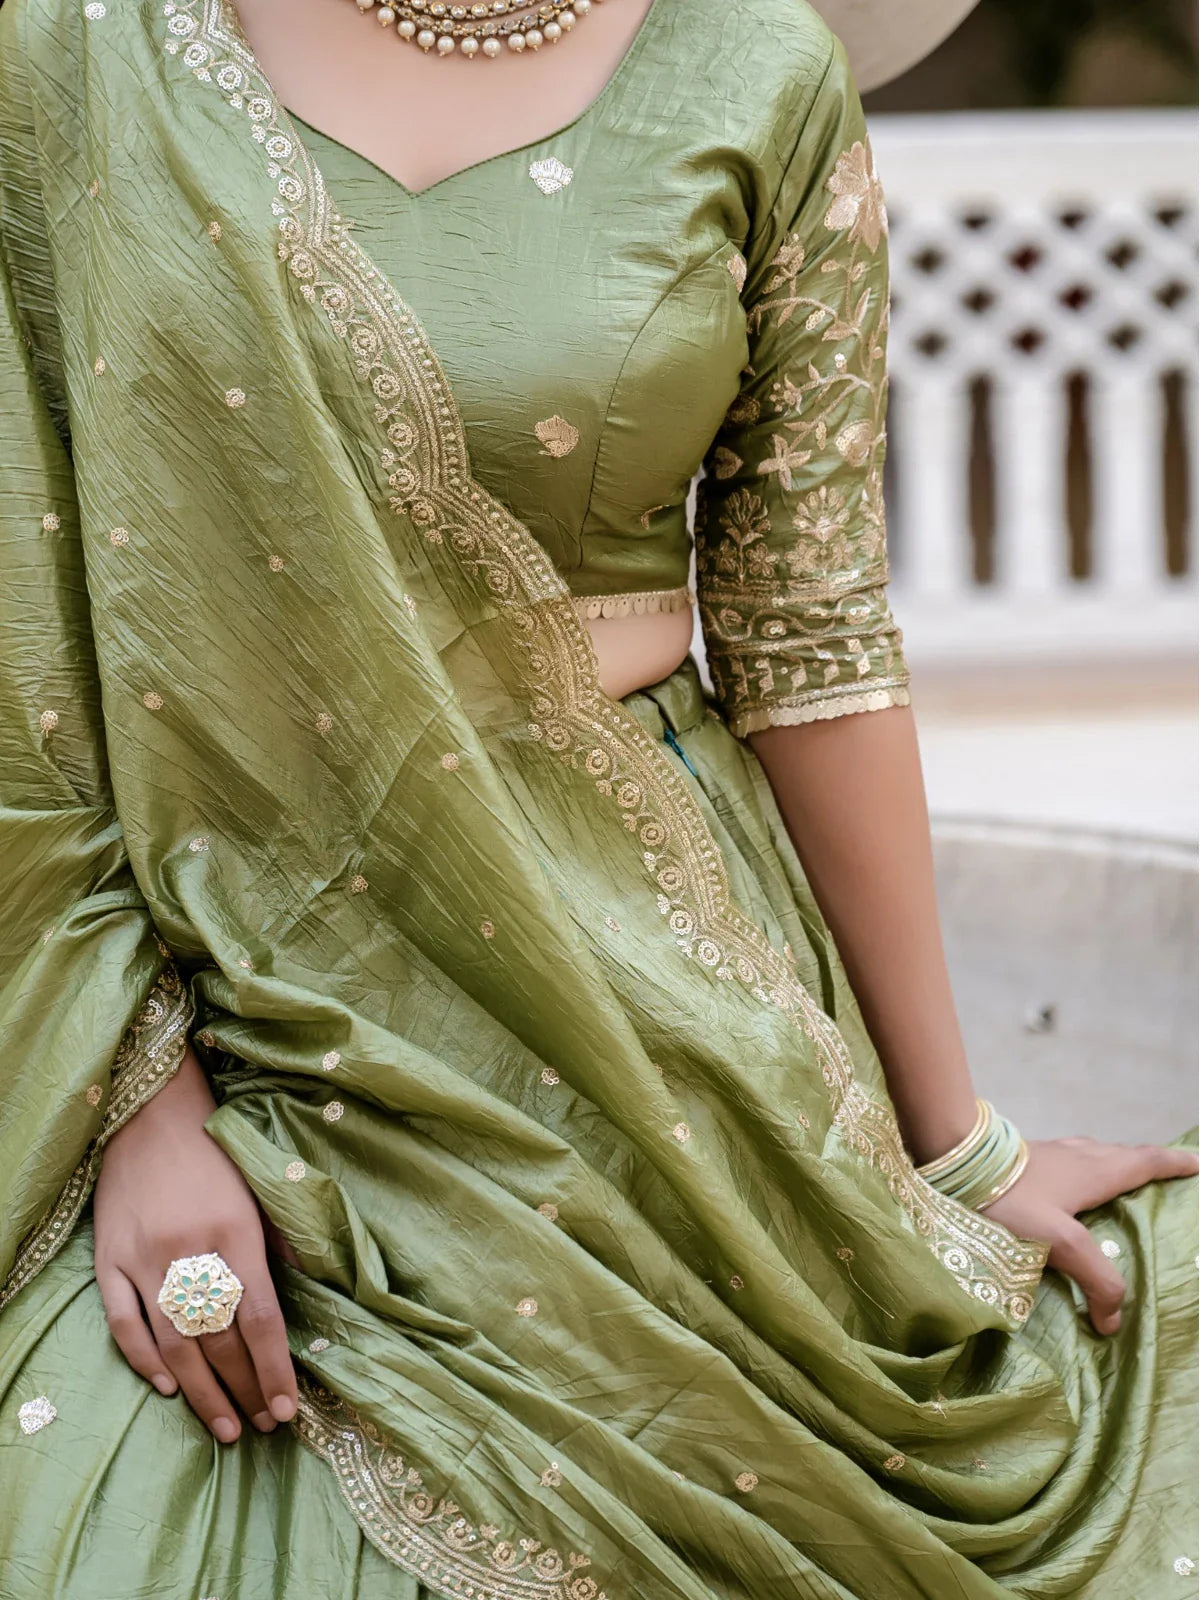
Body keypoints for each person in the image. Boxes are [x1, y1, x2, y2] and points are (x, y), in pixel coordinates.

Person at [0, 0, 1195, 1590]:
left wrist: (956, 1147)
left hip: (648, 985)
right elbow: (27, 624)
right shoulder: (77, 53)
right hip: (201, 969)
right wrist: (141, 1107)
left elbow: (809, 641)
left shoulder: (755, 74)